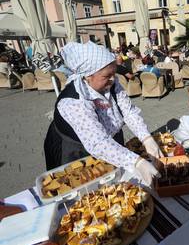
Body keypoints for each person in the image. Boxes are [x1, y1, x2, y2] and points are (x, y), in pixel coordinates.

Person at [43, 41, 161, 186]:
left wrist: (146, 137)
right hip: (76, 149)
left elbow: (128, 111)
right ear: (88, 76)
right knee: (85, 187)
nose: (113, 79)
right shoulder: (73, 101)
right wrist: (136, 161)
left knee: (116, 181)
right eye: (107, 76)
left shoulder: (111, 83)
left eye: (113, 73)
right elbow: (98, 142)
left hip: (109, 141)